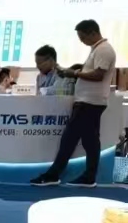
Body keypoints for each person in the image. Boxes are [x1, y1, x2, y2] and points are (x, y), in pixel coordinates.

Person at [32, 19, 117, 187]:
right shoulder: (97, 49)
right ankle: (88, 176)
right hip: (89, 101)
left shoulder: (104, 50)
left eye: (83, 37)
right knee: (90, 142)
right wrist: (72, 73)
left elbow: (98, 75)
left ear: (93, 33)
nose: (81, 41)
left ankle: (54, 174)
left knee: (69, 139)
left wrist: (74, 73)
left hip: (89, 102)